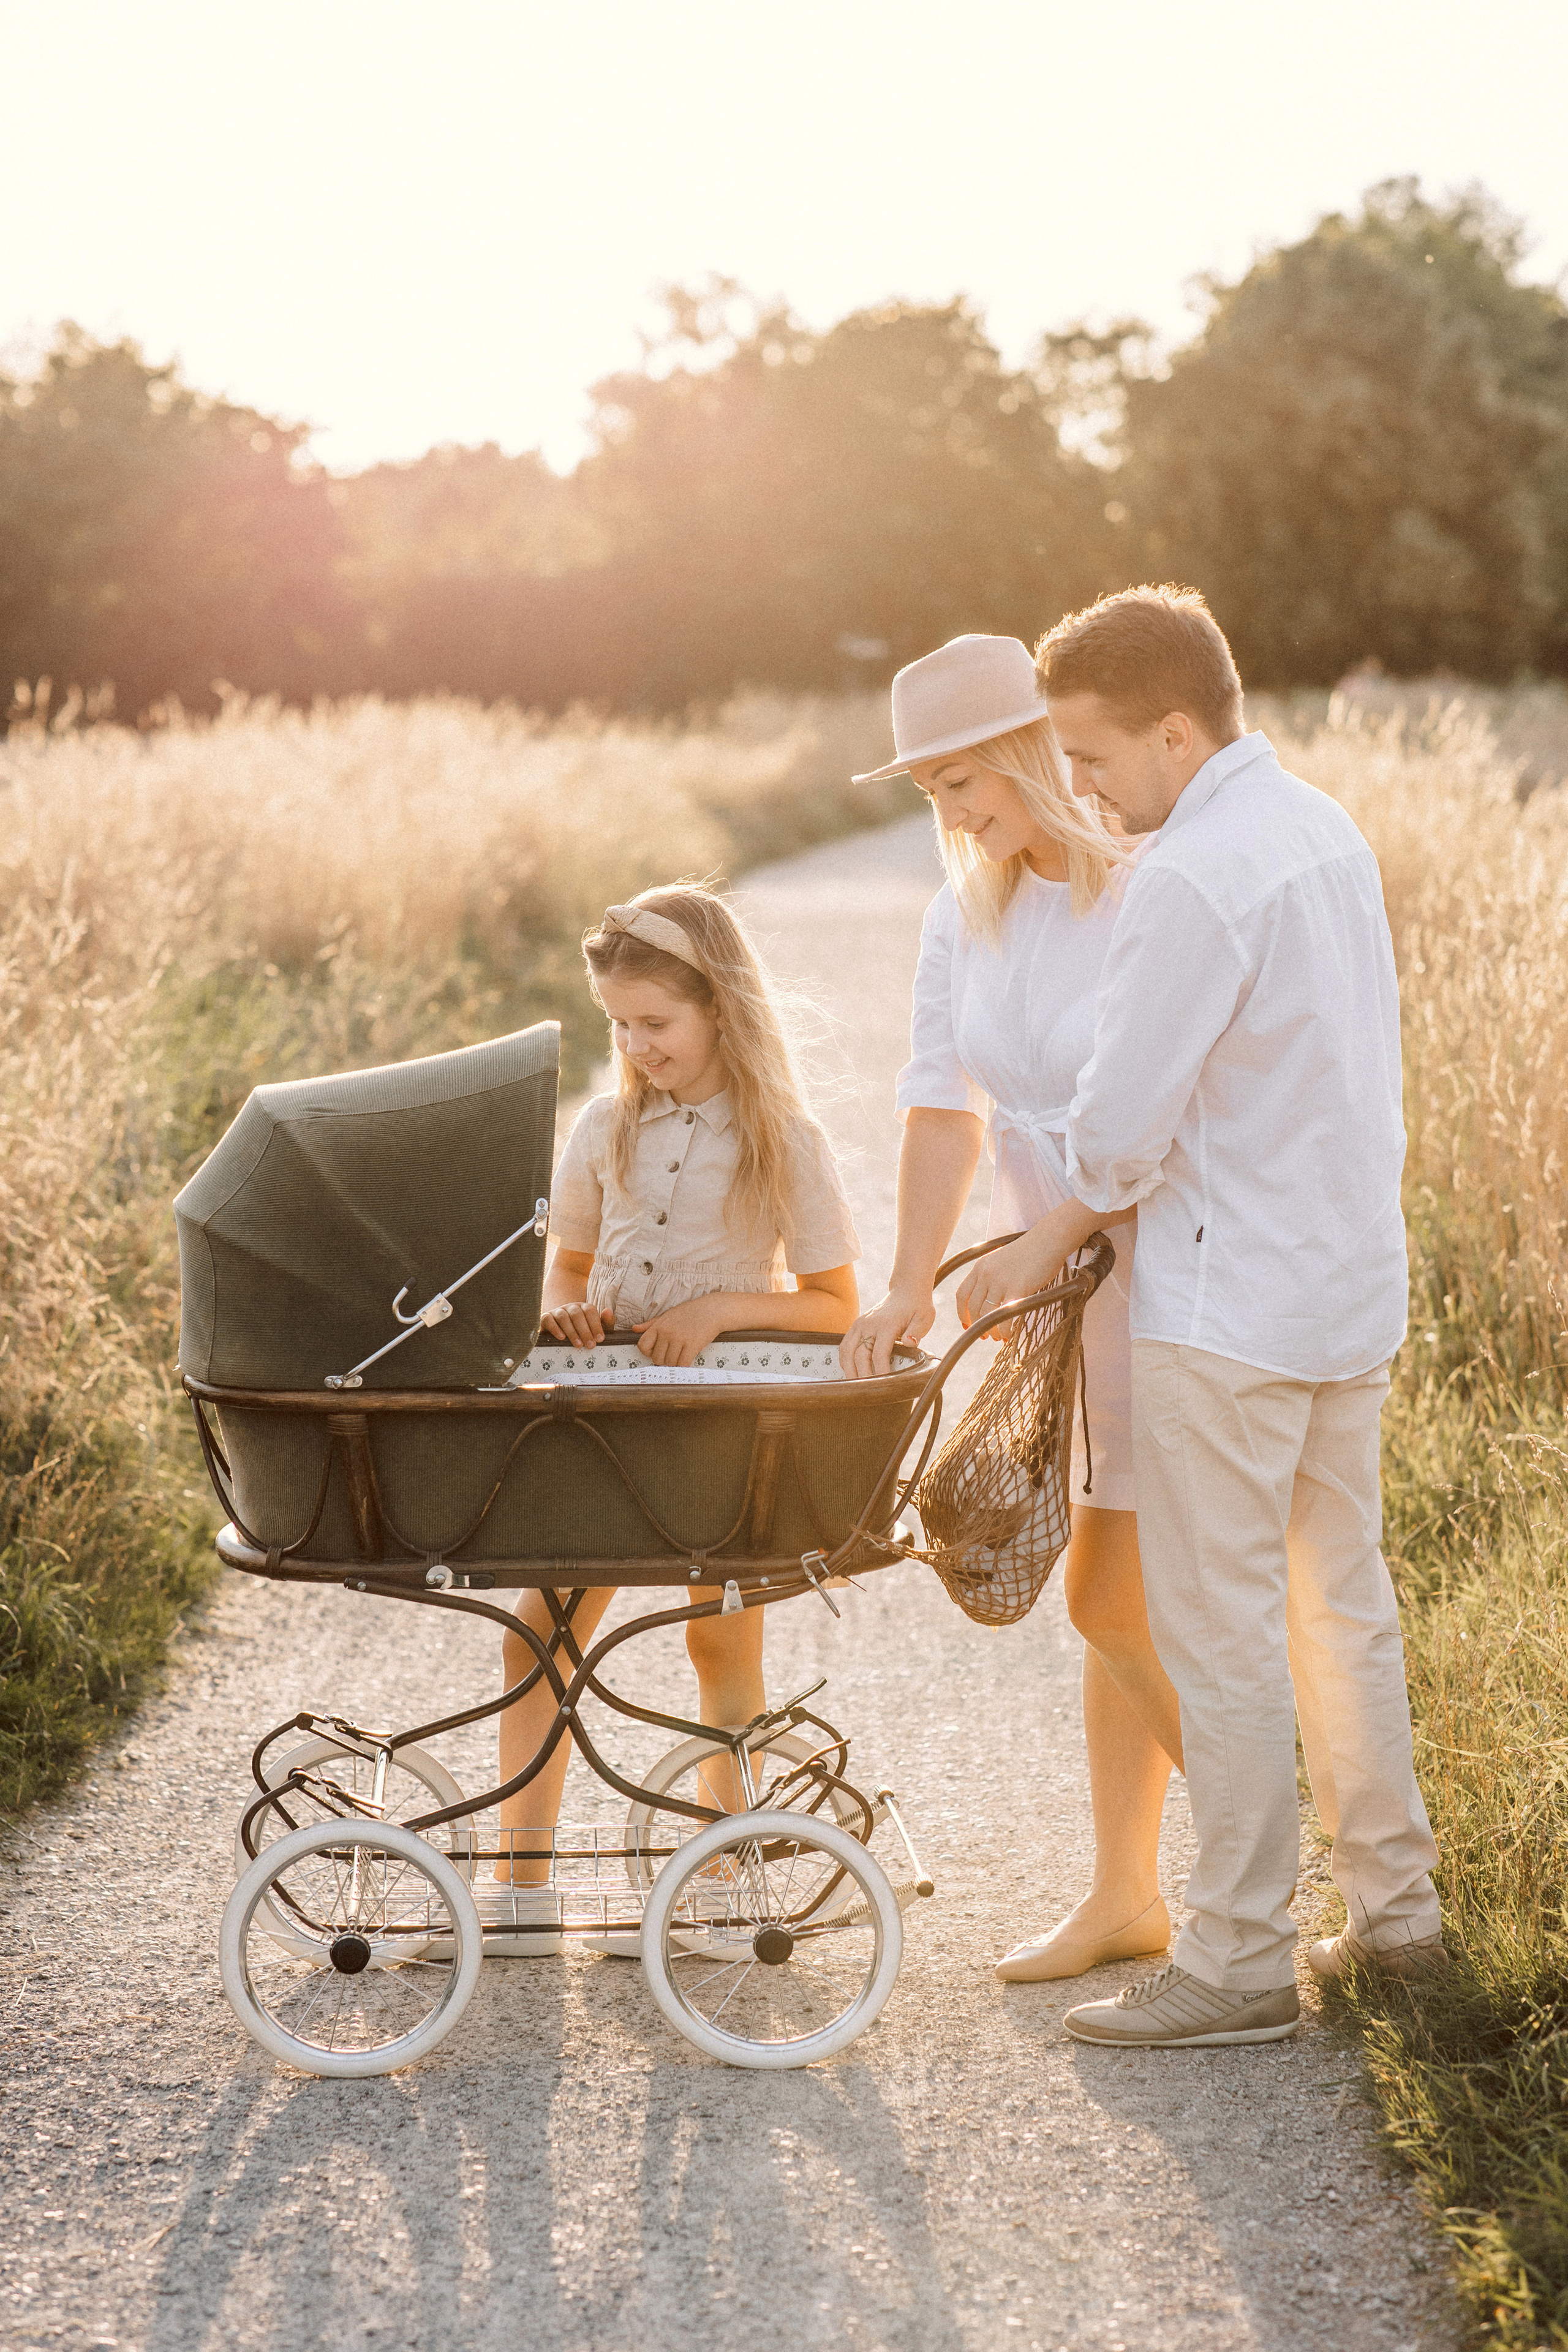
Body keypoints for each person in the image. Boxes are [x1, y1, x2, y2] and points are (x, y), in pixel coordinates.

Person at [960, 585, 1442, 2049]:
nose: (1083, 788)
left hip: (1227, 1304)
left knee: (1220, 1628)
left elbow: (1118, 1132)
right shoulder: (1320, 827)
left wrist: (1033, 1247)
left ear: (1175, 730)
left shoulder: (1188, 877)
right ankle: (1397, 1921)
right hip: (1341, 1285)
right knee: (1338, 1610)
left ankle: (1235, 1962)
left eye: (1094, 756)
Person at [840, 633, 1186, 1981]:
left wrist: (1052, 1244)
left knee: (1115, 1598)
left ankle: (1298, 1847)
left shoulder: (1149, 891)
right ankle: (1123, 1894)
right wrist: (905, 1283)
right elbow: (941, 1102)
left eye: (959, 781)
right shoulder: (965, 910)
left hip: (1155, 1263)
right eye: (928, 792)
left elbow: (1161, 1111)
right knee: (1111, 1599)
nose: (947, 815)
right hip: (1048, 1290)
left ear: (1031, 754)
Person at [484, 883, 861, 1953]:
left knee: (721, 1640)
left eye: (658, 1023)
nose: (638, 1044)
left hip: (719, 1422)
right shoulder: (603, 1128)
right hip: (601, 1417)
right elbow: (565, 1260)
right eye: (620, 1025)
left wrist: (719, 1308)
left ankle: (725, 1873)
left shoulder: (784, 1138)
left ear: (722, 1011)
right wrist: (568, 1303)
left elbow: (834, 1304)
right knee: (537, 1632)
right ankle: (521, 1886)